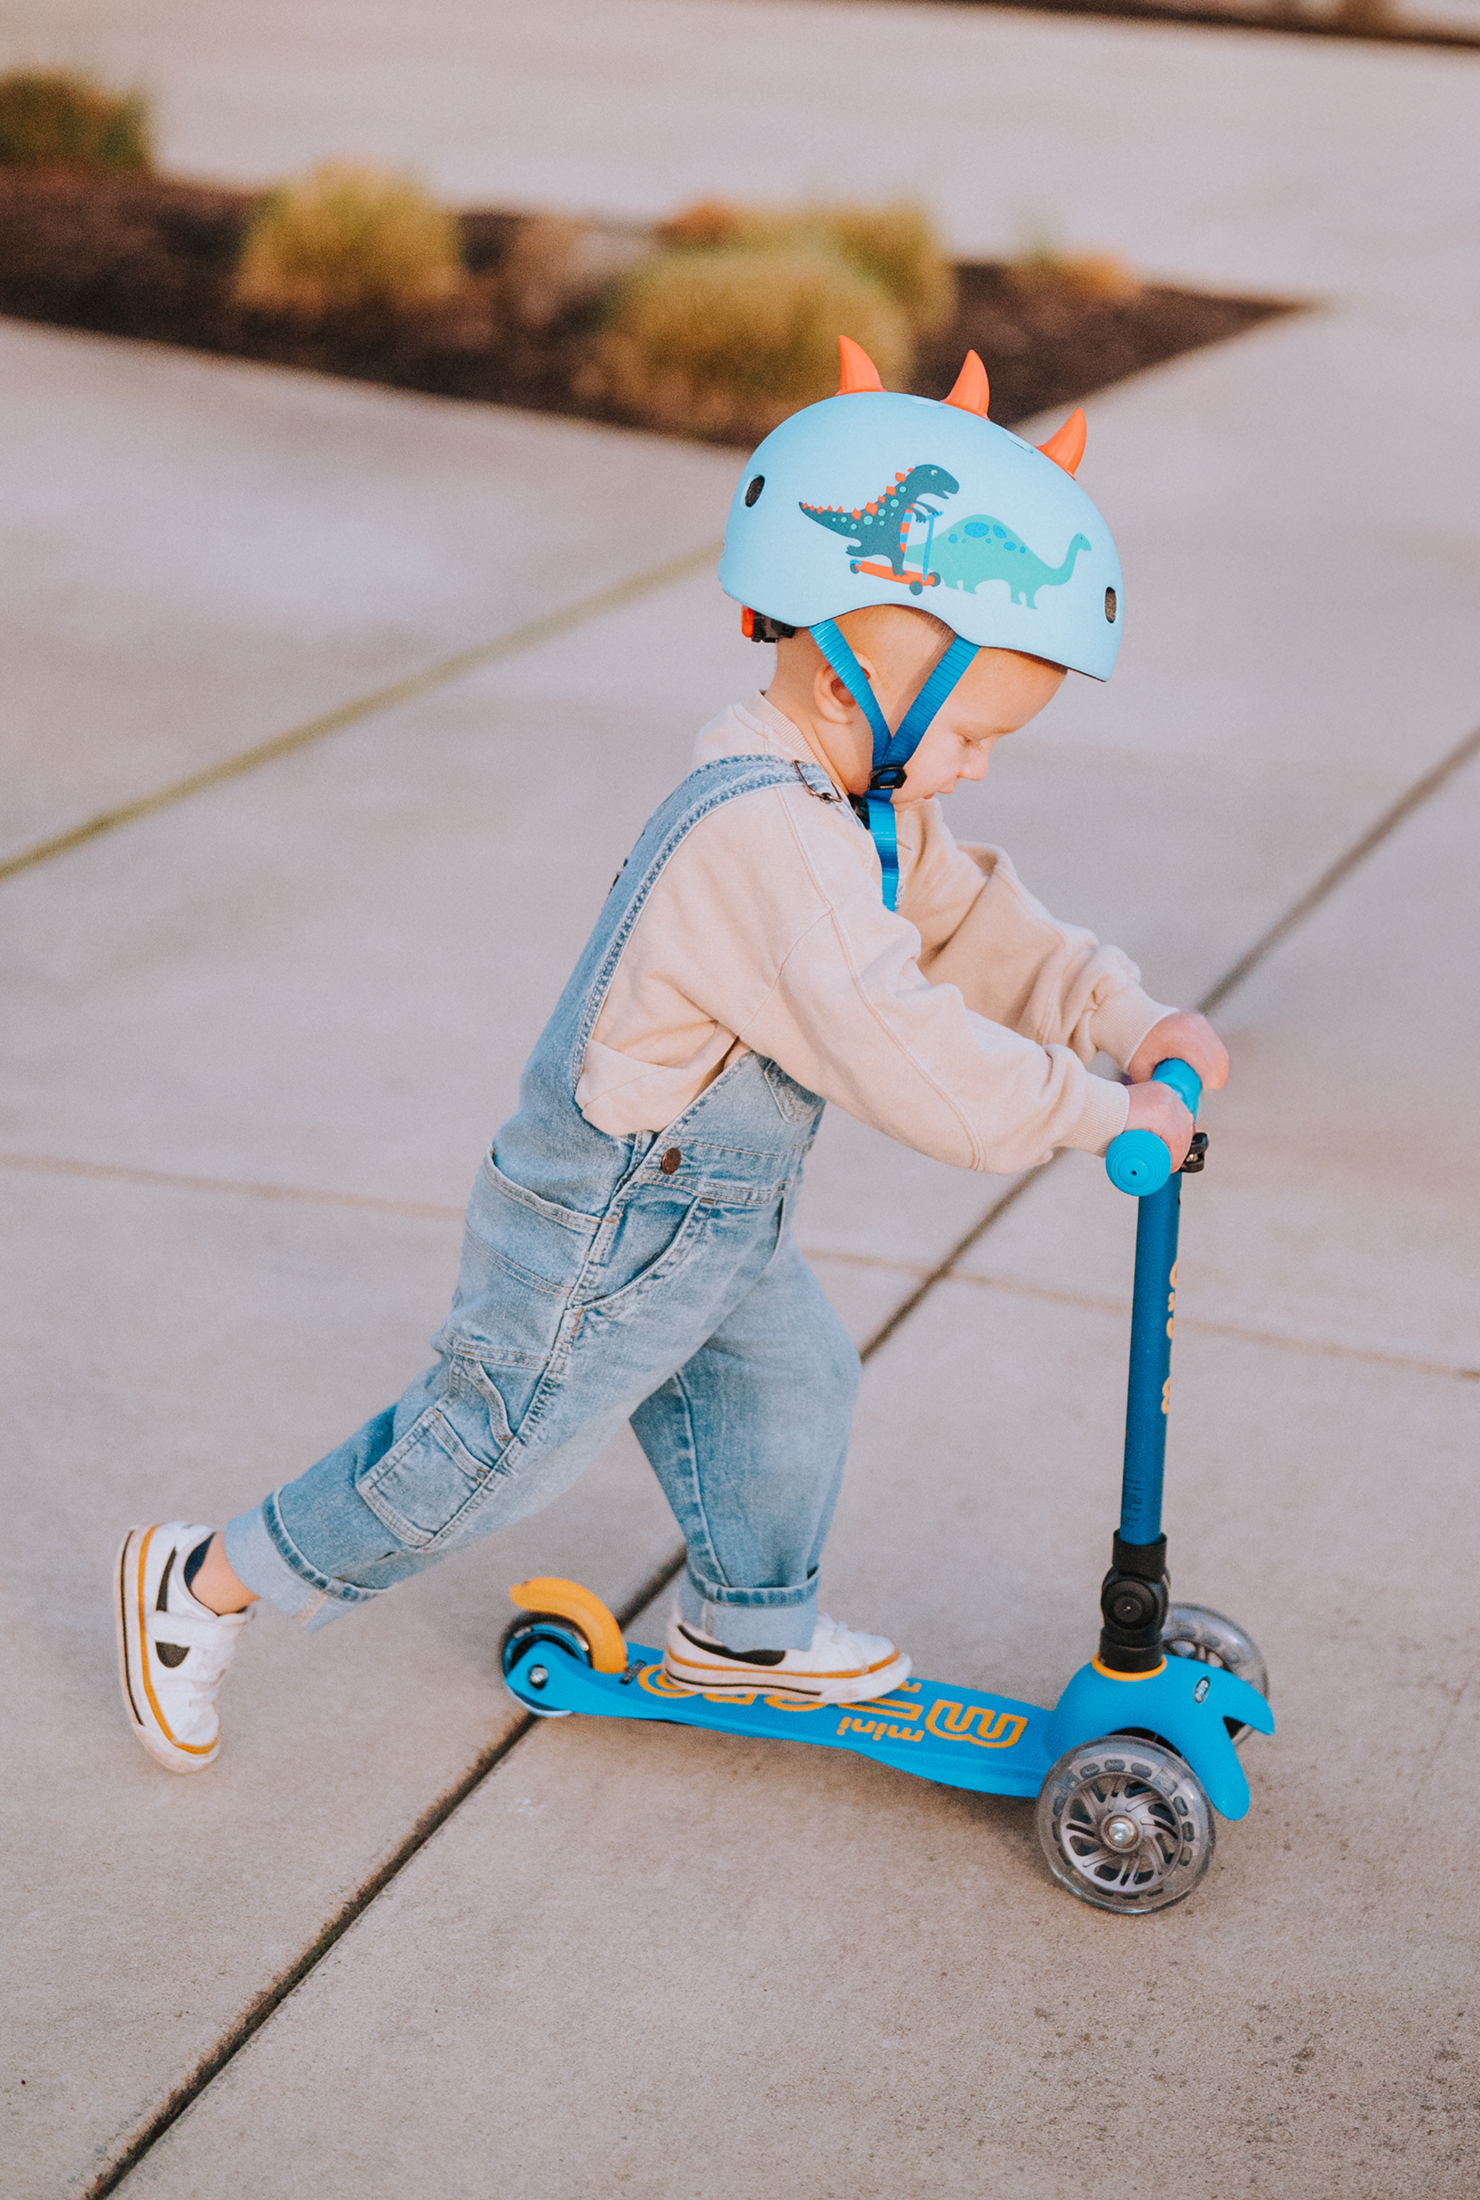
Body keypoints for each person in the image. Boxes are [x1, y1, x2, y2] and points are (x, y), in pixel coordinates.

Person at [117, 340, 1227, 1773]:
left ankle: (748, 1627)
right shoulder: (766, 836)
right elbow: (911, 1052)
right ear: (845, 681)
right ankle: (202, 1583)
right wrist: (1095, 1113)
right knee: (477, 1463)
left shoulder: (866, 801)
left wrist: (1128, 1021)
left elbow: (977, 926)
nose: (979, 763)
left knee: (798, 1381)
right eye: (967, 731)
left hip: (709, 1221)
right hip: (605, 1225)